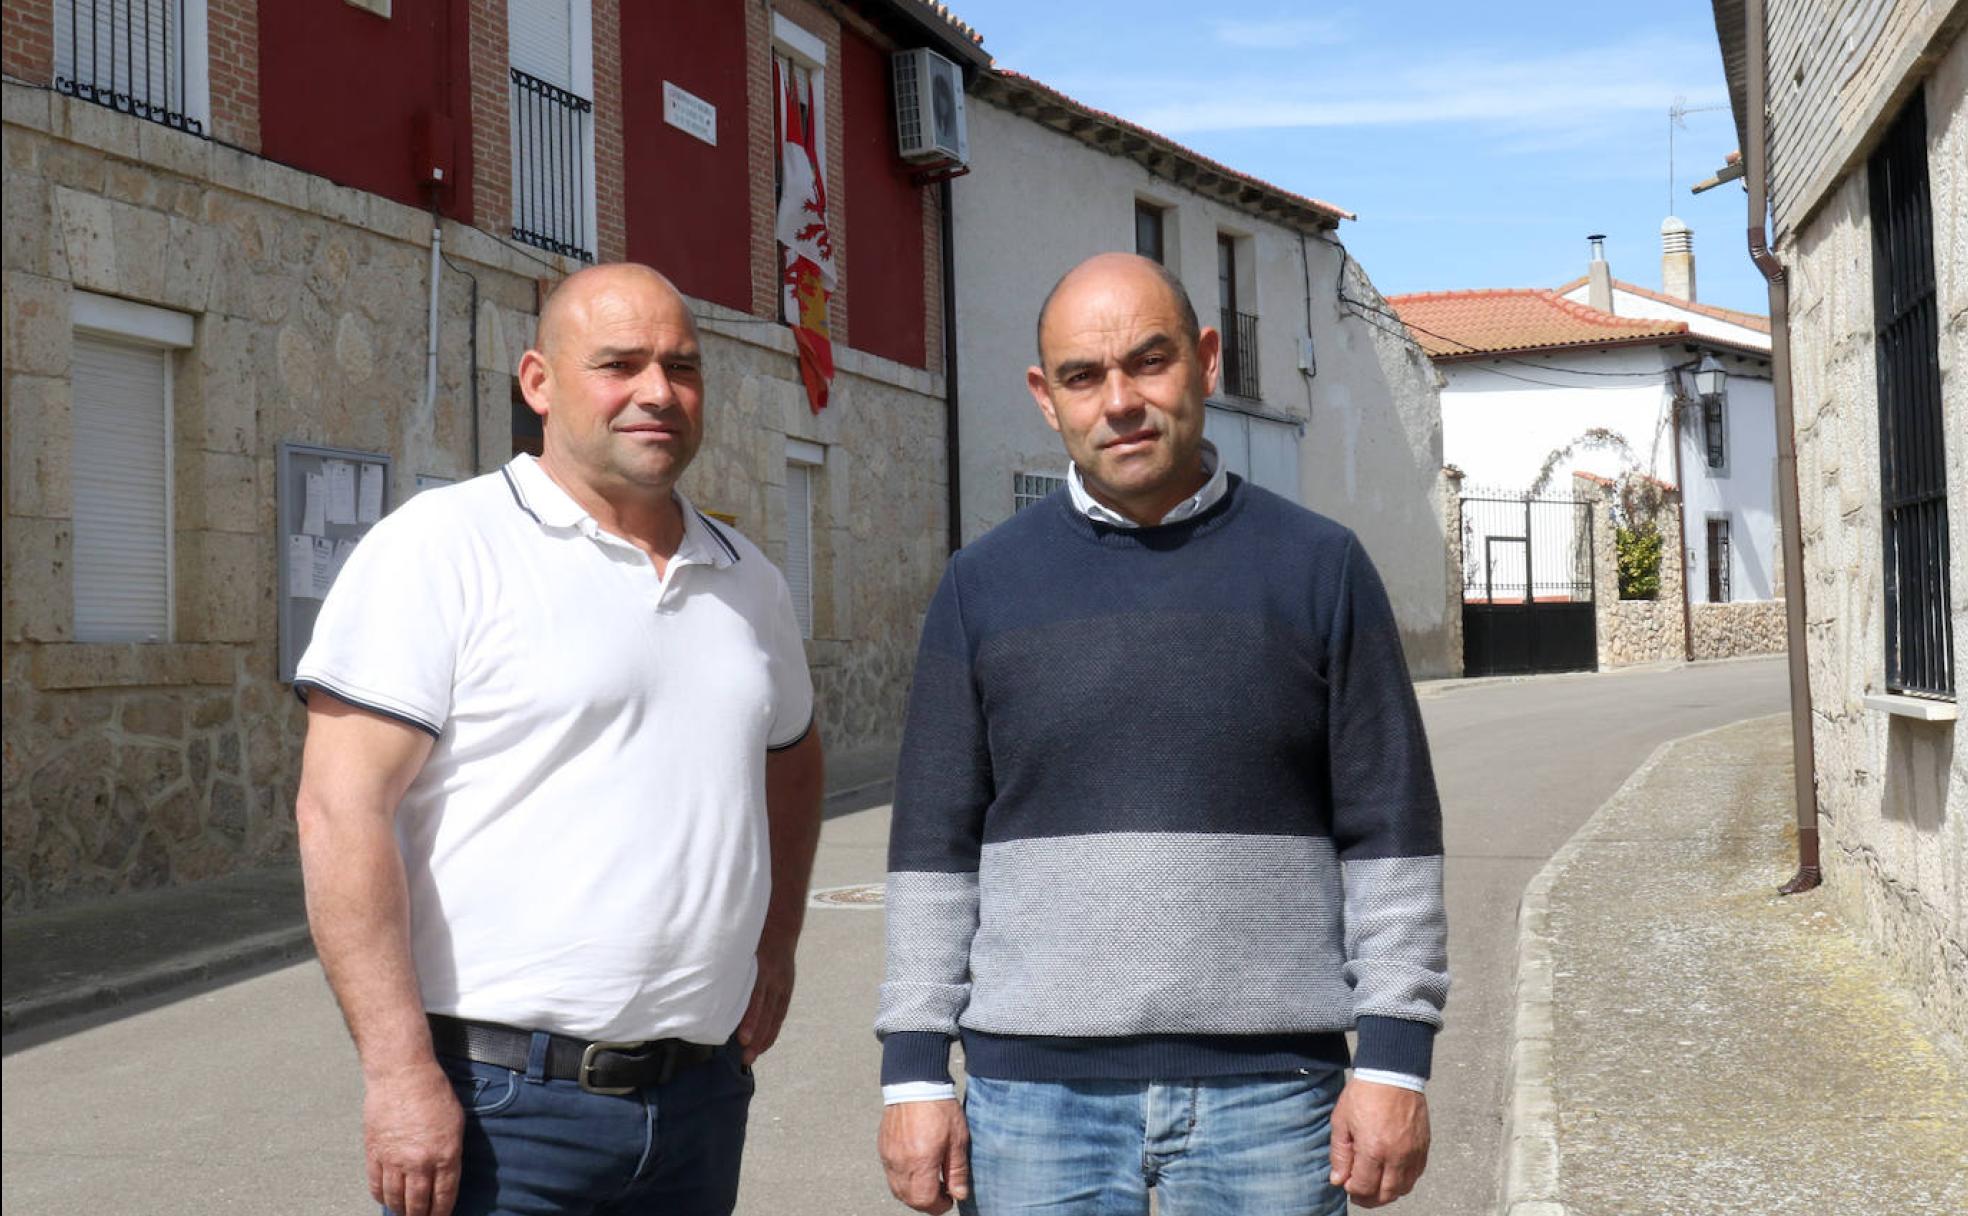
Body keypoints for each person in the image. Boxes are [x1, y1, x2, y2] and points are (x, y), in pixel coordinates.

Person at [875, 252, 1447, 1214]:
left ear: (1206, 361)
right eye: (1083, 376)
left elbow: (1389, 831)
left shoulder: (1321, 569)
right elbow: (934, 848)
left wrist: (1396, 1059)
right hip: (1032, 1102)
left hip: (1274, 1098)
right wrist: (915, 1074)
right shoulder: (983, 586)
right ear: (1044, 397)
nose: (1120, 401)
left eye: (1149, 361)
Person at [296, 263, 824, 1216]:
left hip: (699, 1101)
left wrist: (776, 945)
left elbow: (792, 755)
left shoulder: (750, 583)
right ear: (538, 382)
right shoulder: (444, 546)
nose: (658, 392)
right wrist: (397, 1072)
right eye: (619, 364)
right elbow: (341, 810)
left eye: (682, 366)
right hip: (502, 1108)